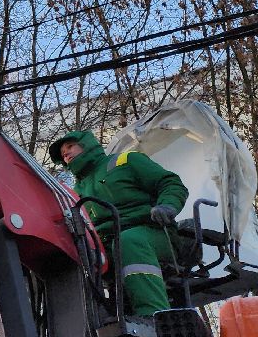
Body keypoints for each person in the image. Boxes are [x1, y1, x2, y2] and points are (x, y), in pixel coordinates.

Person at [48, 129, 189, 318]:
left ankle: (155, 317)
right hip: (107, 245)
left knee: (127, 241)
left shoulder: (125, 161)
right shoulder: (74, 191)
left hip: (153, 233)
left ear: (87, 144)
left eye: (70, 146)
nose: (65, 153)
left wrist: (167, 206)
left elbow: (170, 182)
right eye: (63, 153)